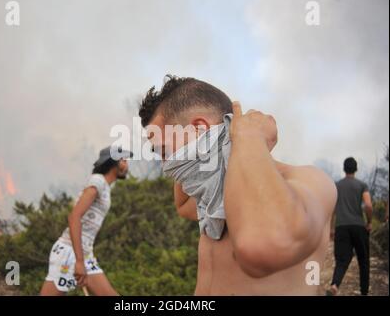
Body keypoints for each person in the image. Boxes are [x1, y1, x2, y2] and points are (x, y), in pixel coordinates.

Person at [139, 75, 337, 295]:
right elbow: (182, 204)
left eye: (164, 152)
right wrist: (208, 156)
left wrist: (250, 136)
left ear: (200, 130)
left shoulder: (310, 181)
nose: (166, 166)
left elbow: (266, 243)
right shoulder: (212, 200)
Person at [40, 146, 132, 296]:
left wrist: (83, 258)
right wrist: (79, 261)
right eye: (123, 160)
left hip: (84, 253)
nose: (126, 163)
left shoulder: (105, 187)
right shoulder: (98, 181)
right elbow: (74, 217)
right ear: (113, 162)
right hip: (69, 253)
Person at [327, 157, 373, 296]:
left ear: (344, 169)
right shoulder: (362, 185)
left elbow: (332, 209)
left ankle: (334, 285)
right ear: (356, 169)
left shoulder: (337, 185)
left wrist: (332, 228)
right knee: (363, 261)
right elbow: (368, 205)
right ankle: (364, 292)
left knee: (341, 260)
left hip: (342, 227)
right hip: (359, 227)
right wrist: (369, 222)